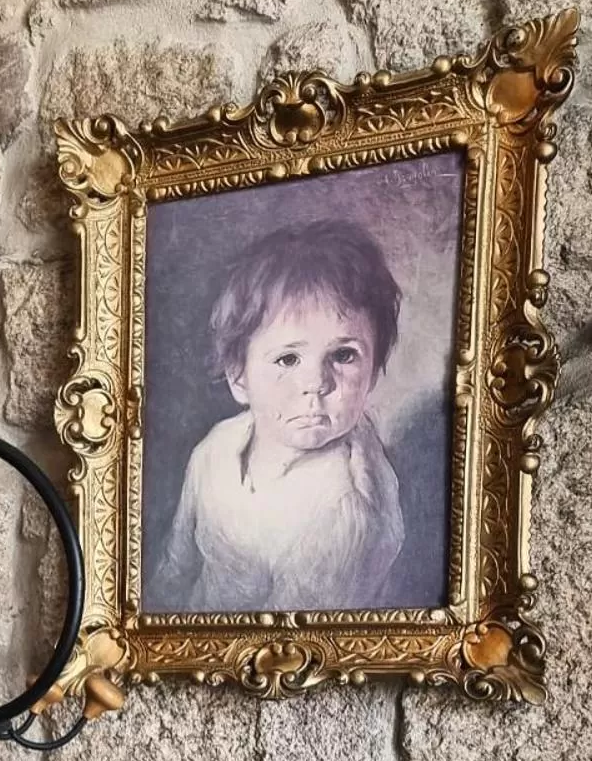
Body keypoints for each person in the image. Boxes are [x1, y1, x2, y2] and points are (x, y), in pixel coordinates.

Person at [156, 217, 406, 612]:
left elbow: (291, 647)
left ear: (373, 372)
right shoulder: (215, 450)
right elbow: (175, 566)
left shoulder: (347, 510)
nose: (317, 383)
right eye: (288, 358)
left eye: (343, 356)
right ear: (239, 377)